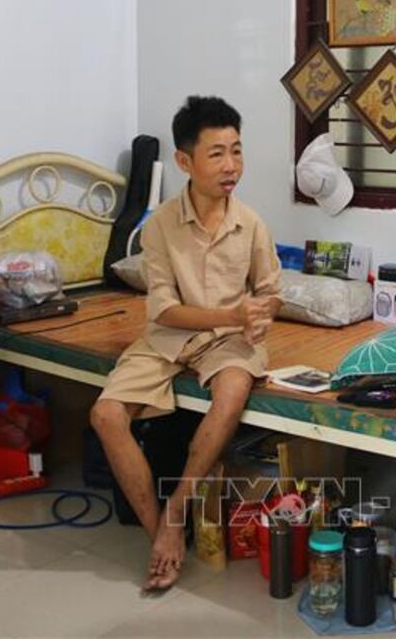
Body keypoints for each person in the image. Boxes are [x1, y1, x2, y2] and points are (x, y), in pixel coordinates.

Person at [90, 96, 281, 591]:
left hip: (228, 342)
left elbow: (269, 291)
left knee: (232, 392)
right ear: (184, 160)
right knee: (106, 415)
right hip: (169, 337)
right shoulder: (158, 226)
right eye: (217, 153)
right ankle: (162, 535)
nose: (231, 165)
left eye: (236, 151)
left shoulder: (252, 224)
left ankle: (176, 511)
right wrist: (232, 313)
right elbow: (164, 311)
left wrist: (258, 316)